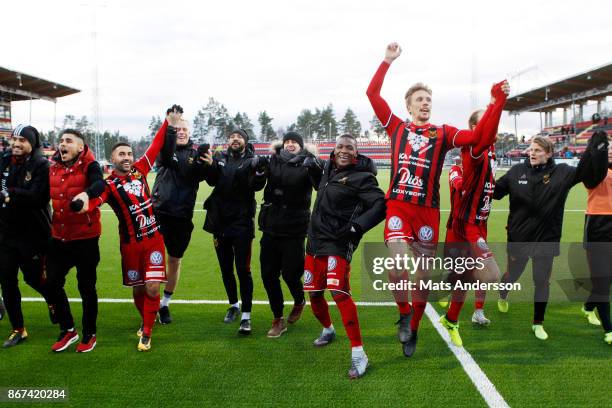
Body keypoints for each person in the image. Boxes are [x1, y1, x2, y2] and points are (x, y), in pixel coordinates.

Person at [366, 41, 508, 357]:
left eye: (429, 99)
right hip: (400, 207)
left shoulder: (443, 133)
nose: (425, 103)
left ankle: (413, 328)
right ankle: (404, 313)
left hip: (428, 214)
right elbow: (373, 96)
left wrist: (497, 102)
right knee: (398, 261)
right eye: (420, 99)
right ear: (409, 106)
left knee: (423, 278)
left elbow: (480, 138)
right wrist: (387, 61)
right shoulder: (396, 127)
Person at [493, 132, 608, 340]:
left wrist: (595, 148)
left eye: (537, 150)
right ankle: (503, 293)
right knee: (513, 275)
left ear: (548, 153)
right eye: (530, 149)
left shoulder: (562, 172)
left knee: (542, 281)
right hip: (519, 238)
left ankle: (538, 323)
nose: (531, 153)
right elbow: (494, 191)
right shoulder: (517, 170)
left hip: (547, 239)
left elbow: (585, 172)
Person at [87, 107, 182, 351]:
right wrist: (82, 204)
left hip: (153, 241)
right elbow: (95, 202)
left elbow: (155, 145)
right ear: (113, 159)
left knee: (152, 286)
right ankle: (146, 317)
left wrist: (168, 123)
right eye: (122, 154)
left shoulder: (141, 170)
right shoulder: (108, 186)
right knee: (139, 289)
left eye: (129, 153)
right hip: (130, 245)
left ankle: (147, 332)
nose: (127, 157)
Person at [305, 134, 386, 379]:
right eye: (340, 146)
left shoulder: (363, 177)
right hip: (315, 241)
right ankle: (328, 330)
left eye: (349, 148)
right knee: (314, 293)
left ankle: (359, 353)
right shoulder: (328, 168)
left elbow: (381, 205)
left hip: (339, 243)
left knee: (339, 293)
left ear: (356, 152)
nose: (343, 151)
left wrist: (356, 227)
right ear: (334, 149)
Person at [440, 87, 508, 346]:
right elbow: (486, 133)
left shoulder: (490, 157)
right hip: (464, 225)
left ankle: (453, 319)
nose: (494, 128)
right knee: (488, 274)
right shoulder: (474, 151)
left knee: (467, 275)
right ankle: (458, 308)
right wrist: (497, 102)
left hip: (479, 225)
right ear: (474, 128)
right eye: (486, 120)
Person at [46, 129, 106, 353]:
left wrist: (86, 194)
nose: (63, 144)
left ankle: (89, 334)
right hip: (58, 237)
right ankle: (68, 330)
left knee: (86, 287)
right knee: (52, 284)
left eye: (68, 141)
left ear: (80, 147)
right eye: (61, 141)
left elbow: (100, 185)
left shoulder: (90, 165)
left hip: (86, 238)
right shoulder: (51, 168)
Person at [152, 108, 213, 325]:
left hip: (182, 216)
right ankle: (151, 304)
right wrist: (170, 125)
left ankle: (164, 304)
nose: (181, 132)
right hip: (158, 212)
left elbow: (201, 176)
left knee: (175, 260)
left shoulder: (196, 155)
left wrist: (207, 165)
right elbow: (166, 157)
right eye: (178, 129)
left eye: (184, 129)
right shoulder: (164, 149)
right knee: (153, 261)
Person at [258, 131, 323, 338]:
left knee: (290, 274)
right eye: (287, 141)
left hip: (294, 227)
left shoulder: (308, 162)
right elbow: (256, 183)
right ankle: (278, 318)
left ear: (301, 145)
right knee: (268, 274)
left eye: (295, 141)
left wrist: (315, 168)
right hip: (270, 224)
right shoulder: (273, 160)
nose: (290, 144)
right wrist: (257, 170)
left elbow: (319, 186)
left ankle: (299, 299)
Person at [203, 128, 267, 335]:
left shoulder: (253, 160)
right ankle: (233, 305)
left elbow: (257, 186)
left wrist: (259, 172)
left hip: (241, 223)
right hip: (219, 221)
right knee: (225, 269)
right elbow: (211, 180)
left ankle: (246, 316)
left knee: (243, 269)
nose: (235, 139)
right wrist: (209, 165)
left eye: (239, 137)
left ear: (245, 141)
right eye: (231, 137)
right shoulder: (220, 157)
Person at [0, 125, 56, 348]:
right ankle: (18, 329)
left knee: (33, 279)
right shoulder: (4, 160)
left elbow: (38, 198)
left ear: (32, 143)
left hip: (33, 235)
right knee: (7, 282)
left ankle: (52, 298)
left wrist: (8, 195)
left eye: (22, 140)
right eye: (14, 139)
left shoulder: (42, 165)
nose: (16, 144)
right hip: (5, 234)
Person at [580, 131, 611, 344]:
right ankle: (609, 329)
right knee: (602, 281)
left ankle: (588, 306)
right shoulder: (593, 171)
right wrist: (597, 149)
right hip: (598, 226)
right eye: (607, 148)